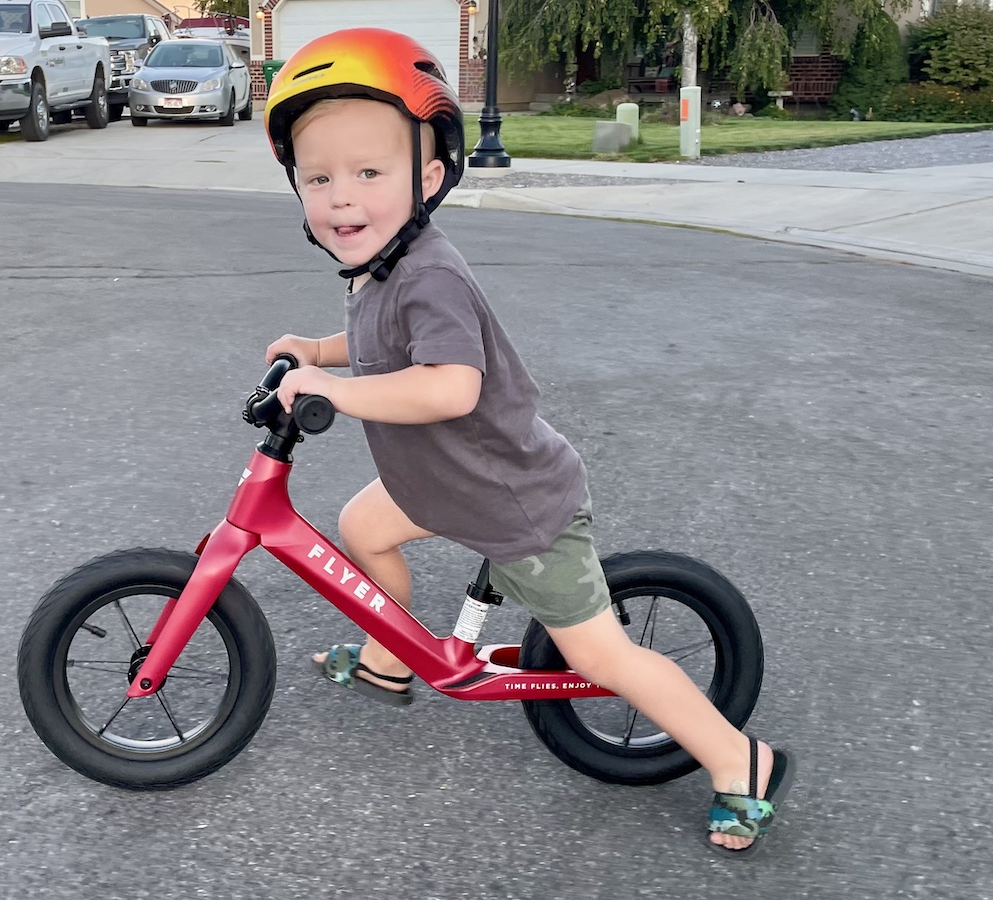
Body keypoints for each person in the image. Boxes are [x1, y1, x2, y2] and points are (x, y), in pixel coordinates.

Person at [261, 28, 794, 856]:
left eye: (369, 172)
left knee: (605, 657)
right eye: (320, 176)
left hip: (513, 505)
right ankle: (393, 658)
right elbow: (373, 346)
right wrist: (317, 351)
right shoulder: (376, 270)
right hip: (444, 484)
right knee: (365, 527)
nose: (341, 197)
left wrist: (333, 390)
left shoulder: (430, 273)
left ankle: (739, 759)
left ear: (428, 176)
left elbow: (448, 386)